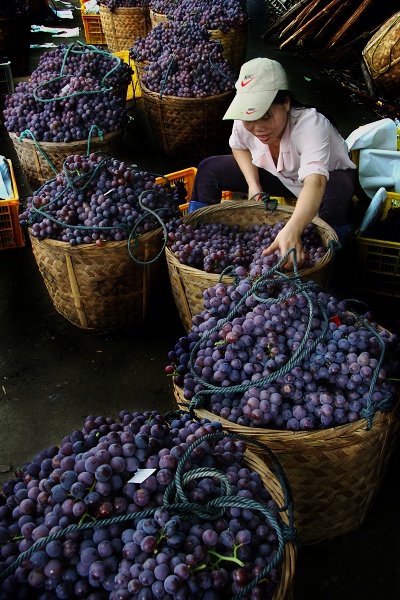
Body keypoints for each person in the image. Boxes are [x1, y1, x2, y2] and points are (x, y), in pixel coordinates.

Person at [188, 57, 358, 269]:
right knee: (208, 170)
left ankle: (332, 266)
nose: (258, 128)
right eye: (251, 119)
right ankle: (196, 243)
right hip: (281, 175)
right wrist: (254, 184)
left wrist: (294, 228)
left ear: (286, 103)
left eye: (266, 117)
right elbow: (238, 146)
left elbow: (316, 182)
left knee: (335, 197)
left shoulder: (311, 124)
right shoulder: (244, 121)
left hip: (328, 177)